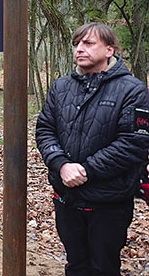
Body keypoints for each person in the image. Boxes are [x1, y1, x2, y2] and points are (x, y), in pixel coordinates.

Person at [36, 22, 149, 276]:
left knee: (103, 267)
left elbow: (133, 144)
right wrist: (61, 164)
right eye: (76, 44)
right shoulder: (61, 87)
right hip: (66, 198)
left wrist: (85, 170)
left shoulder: (133, 90)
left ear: (109, 50)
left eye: (88, 43)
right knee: (75, 265)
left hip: (109, 201)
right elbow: (45, 129)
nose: (79, 49)